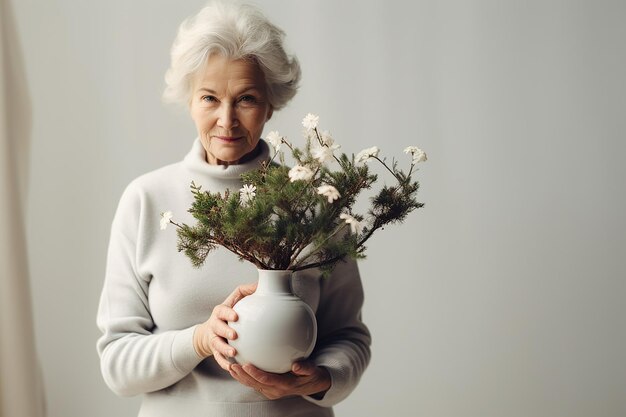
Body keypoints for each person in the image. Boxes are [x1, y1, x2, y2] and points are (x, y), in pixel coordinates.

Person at [96, 1, 371, 416]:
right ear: (189, 99)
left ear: (271, 104)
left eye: (246, 99)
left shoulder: (315, 203)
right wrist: (200, 340)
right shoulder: (146, 200)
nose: (226, 121)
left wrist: (322, 378)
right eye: (209, 98)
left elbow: (349, 336)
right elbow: (118, 364)